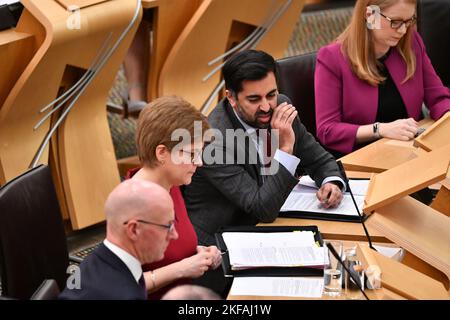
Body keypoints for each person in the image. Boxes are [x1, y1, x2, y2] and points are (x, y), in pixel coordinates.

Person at [184, 49, 345, 247]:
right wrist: (285, 149)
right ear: (231, 98)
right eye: (254, 99)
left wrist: (331, 182)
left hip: (271, 222)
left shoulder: (281, 107)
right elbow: (262, 209)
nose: (267, 107)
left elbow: (319, 159)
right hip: (222, 244)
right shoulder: (214, 141)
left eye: (271, 94)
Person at [315, 0, 450, 156]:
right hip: (361, 160)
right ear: (370, 16)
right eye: (396, 22)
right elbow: (327, 130)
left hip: (410, 153)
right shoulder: (332, 58)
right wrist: (380, 129)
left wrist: (447, 116)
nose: (403, 30)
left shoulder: (412, 42)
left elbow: (438, 98)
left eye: (409, 21)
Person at [129, 95, 222, 299]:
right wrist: (183, 268)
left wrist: (200, 254)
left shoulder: (171, 183)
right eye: (191, 154)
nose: (199, 162)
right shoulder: (133, 206)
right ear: (162, 153)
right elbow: (120, 286)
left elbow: (168, 252)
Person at [59, 179, 178, 299]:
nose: (174, 235)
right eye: (168, 226)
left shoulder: (95, 261)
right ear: (134, 230)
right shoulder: (123, 295)